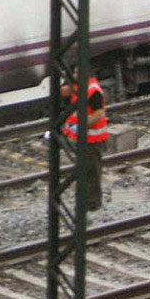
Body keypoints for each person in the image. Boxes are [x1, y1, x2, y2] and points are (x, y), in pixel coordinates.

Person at [61, 74, 109, 210]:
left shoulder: (92, 90)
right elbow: (64, 92)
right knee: (86, 170)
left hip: (93, 138)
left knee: (92, 171)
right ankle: (86, 200)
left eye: (77, 72)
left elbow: (98, 114)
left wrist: (82, 126)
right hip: (83, 138)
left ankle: (92, 203)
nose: (74, 74)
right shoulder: (78, 87)